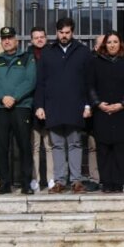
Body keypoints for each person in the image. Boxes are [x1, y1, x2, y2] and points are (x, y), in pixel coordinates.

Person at [35, 18, 93, 193]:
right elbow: (40, 82)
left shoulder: (83, 52)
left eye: (67, 33)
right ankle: (59, 181)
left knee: (75, 143)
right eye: (61, 32)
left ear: (72, 32)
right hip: (53, 106)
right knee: (57, 145)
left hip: (76, 106)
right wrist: (40, 106)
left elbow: (89, 81)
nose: (64, 36)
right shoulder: (47, 53)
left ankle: (76, 181)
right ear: (56, 33)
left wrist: (88, 105)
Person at [0, 26, 35, 194]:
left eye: (10, 38)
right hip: (0, 108)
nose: (6, 41)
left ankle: (26, 183)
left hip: (21, 107)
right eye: (4, 38)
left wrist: (14, 97)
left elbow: (30, 80)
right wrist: (3, 98)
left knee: (24, 146)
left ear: (16, 41)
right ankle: (4, 183)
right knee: (1, 146)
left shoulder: (27, 58)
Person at [88, 31, 124, 194]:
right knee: (103, 149)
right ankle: (106, 182)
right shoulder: (95, 63)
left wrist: (122, 104)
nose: (112, 45)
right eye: (109, 42)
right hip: (102, 112)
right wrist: (98, 104)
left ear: (120, 44)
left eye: (115, 42)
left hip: (121, 113)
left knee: (120, 149)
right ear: (104, 45)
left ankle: (118, 182)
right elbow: (90, 86)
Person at [29, 26, 49, 189]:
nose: (39, 39)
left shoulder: (53, 53)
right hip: (31, 106)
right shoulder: (27, 56)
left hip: (50, 105)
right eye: (36, 37)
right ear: (31, 40)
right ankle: (34, 179)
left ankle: (52, 179)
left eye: (42, 36)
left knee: (50, 145)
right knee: (34, 146)